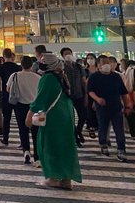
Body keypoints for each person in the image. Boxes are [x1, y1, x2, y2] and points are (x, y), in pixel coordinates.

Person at [26, 53, 81, 189]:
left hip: (53, 117)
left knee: (49, 145)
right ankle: (66, 179)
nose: (40, 63)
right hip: (66, 114)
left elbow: (40, 99)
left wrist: (29, 116)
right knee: (65, 145)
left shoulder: (47, 78)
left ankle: (52, 177)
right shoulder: (61, 76)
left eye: (43, 61)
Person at [88, 54, 132, 162]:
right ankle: (103, 144)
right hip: (102, 108)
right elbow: (90, 91)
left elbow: (123, 92)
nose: (107, 65)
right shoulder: (94, 77)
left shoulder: (116, 76)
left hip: (116, 107)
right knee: (103, 127)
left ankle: (121, 150)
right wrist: (97, 99)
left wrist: (127, 105)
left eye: (108, 63)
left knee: (119, 130)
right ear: (98, 65)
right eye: (104, 63)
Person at [8, 56, 41, 164]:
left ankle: (26, 151)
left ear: (21, 65)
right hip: (35, 106)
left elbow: (9, 89)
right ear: (31, 65)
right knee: (36, 132)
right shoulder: (38, 77)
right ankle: (37, 157)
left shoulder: (15, 75)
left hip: (20, 105)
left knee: (23, 129)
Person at [60, 47, 87, 147]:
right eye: (66, 54)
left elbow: (84, 82)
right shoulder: (61, 67)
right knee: (70, 118)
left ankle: (78, 131)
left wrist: (86, 95)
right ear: (63, 56)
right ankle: (76, 139)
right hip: (67, 96)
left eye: (69, 53)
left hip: (79, 95)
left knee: (83, 116)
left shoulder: (79, 67)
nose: (68, 55)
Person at [0, 48, 20, 145]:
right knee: (19, 118)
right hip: (17, 96)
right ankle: (22, 140)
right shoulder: (17, 67)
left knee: (6, 118)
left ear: (3, 56)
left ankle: (6, 138)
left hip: (6, 95)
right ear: (12, 56)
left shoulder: (0, 67)